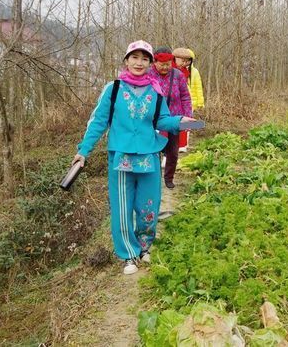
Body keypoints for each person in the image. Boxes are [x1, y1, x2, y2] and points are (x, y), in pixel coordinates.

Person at [71, 40, 195, 275]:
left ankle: (145, 246)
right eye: (135, 58)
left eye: (145, 59)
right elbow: (98, 122)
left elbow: (161, 120)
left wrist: (179, 122)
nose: (139, 63)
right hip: (121, 157)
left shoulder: (155, 90)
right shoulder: (114, 89)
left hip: (149, 155)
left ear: (150, 63)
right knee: (122, 207)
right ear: (126, 60)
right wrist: (83, 151)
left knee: (149, 205)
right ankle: (128, 254)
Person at [149, 47, 192, 189]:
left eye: (168, 64)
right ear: (154, 62)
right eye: (162, 64)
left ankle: (169, 178)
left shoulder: (178, 75)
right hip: (152, 120)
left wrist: (187, 116)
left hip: (174, 118)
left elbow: (185, 96)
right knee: (153, 151)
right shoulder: (148, 75)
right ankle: (152, 180)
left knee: (172, 152)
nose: (165, 67)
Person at [173, 47, 204, 152]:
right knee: (177, 122)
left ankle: (184, 145)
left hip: (191, 101)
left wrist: (200, 102)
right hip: (178, 102)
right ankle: (177, 144)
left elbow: (198, 87)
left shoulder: (194, 72)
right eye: (183, 60)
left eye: (188, 60)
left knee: (187, 123)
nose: (185, 62)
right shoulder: (174, 70)